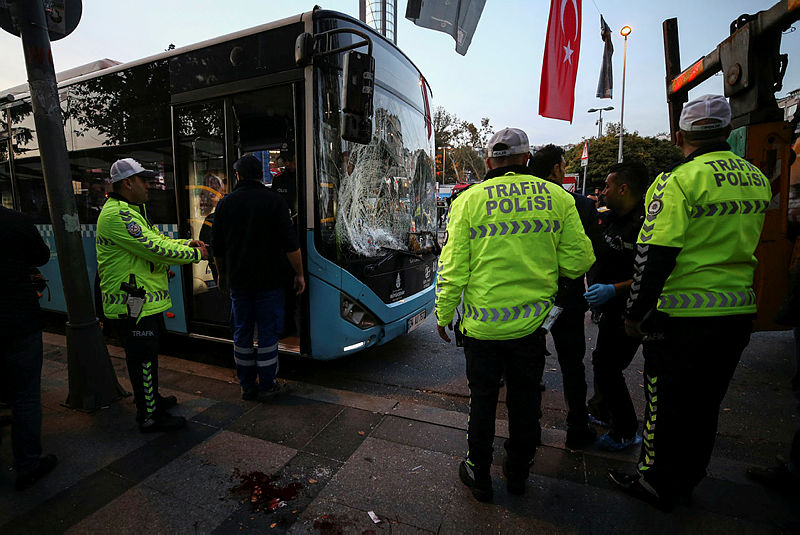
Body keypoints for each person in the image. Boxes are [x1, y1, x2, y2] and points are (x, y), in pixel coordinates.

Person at [609, 95, 771, 511]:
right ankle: (688, 478)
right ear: (726, 130)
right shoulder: (755, 177)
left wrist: (635, 314)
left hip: (683, 316)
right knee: (705, 405)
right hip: (735, 313)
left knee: (664, 403)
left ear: (680, 135)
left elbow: (654, 254)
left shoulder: (679, 180)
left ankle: (655, 481)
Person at [436, 128, 594, 502]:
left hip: (482, 329)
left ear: (489, 162)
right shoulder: (558, 197)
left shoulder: (469, 200)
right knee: (526, 402)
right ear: (527, 158)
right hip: (530, 328)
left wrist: (443, 313)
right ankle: (519, 472)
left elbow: (453, 266)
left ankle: (478, 472)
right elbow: (580, 261)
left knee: (483, 400)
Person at [97, 158, 208, 433]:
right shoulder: (118, 216)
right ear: (127, 183)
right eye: (144, 180)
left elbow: (158, 239)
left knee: (148, 356)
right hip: (132, 305)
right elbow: (154, 249)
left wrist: (186, 242)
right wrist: (196, 253)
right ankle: (148, 415)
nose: (149, 186)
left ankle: (152, 400)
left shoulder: (134, 210)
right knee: (142, 358)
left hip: (143, 302)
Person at [212, 154, 305, 401]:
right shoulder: (275, 201)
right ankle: (267, 385)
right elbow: (290, 245)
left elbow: (218, 248)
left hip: (240, 282)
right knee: (267, 334)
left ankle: (246, 385)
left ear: (238, 175)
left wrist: (222, 275)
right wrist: (299, 274)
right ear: (261, 175)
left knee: (241, 333)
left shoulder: (224, 204)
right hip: (270, 282)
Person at [528, 144, 599, 450]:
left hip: (531, 295)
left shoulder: (522, 203)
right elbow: (589, 255)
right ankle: (577, 427)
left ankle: (530, 427)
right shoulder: (580, 205)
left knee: (529, 364)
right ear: (557, 168)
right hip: (567, 296)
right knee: (572, 364)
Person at [583, 161, 648, 451]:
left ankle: (625, 429)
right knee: (603, 360)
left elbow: (652, 275)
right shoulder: (609, 219)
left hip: (633, 308)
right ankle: (603, 411)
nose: (603, 191)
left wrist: (614, 289)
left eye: (608, 186)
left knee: (609, 366)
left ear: (624, 188)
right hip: (608, 307)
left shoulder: (647, 224)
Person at [0, 206, 57, 490]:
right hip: (18, 321)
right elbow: (41, 256)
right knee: (25, 396)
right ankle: (28, 464)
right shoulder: (16, 221)